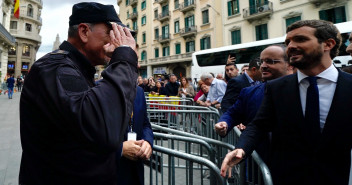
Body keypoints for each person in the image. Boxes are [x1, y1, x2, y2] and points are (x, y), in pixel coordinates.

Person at [221, 20, 352, 185]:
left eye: (300, 39)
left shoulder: (349, 86)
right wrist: (242, 148)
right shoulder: (277, 88)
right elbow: (259, 125)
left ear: (328, 44)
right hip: (288, 178)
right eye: (288, 42)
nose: (290, 46)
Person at [19, 2, 138, 185]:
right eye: (111, 32)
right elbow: (103, 127)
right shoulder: (56, 68)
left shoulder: (77, 68)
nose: (117, 40)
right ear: (84, 32)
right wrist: (123, 57)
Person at [215, 45, 293, 164]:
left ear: (289, 65)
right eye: (262, 62)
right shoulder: (249, 92)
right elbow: (234, 113)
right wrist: (224, 123)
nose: (263, 66)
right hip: (256, 164)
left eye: (270, 61)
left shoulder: (302, 90)